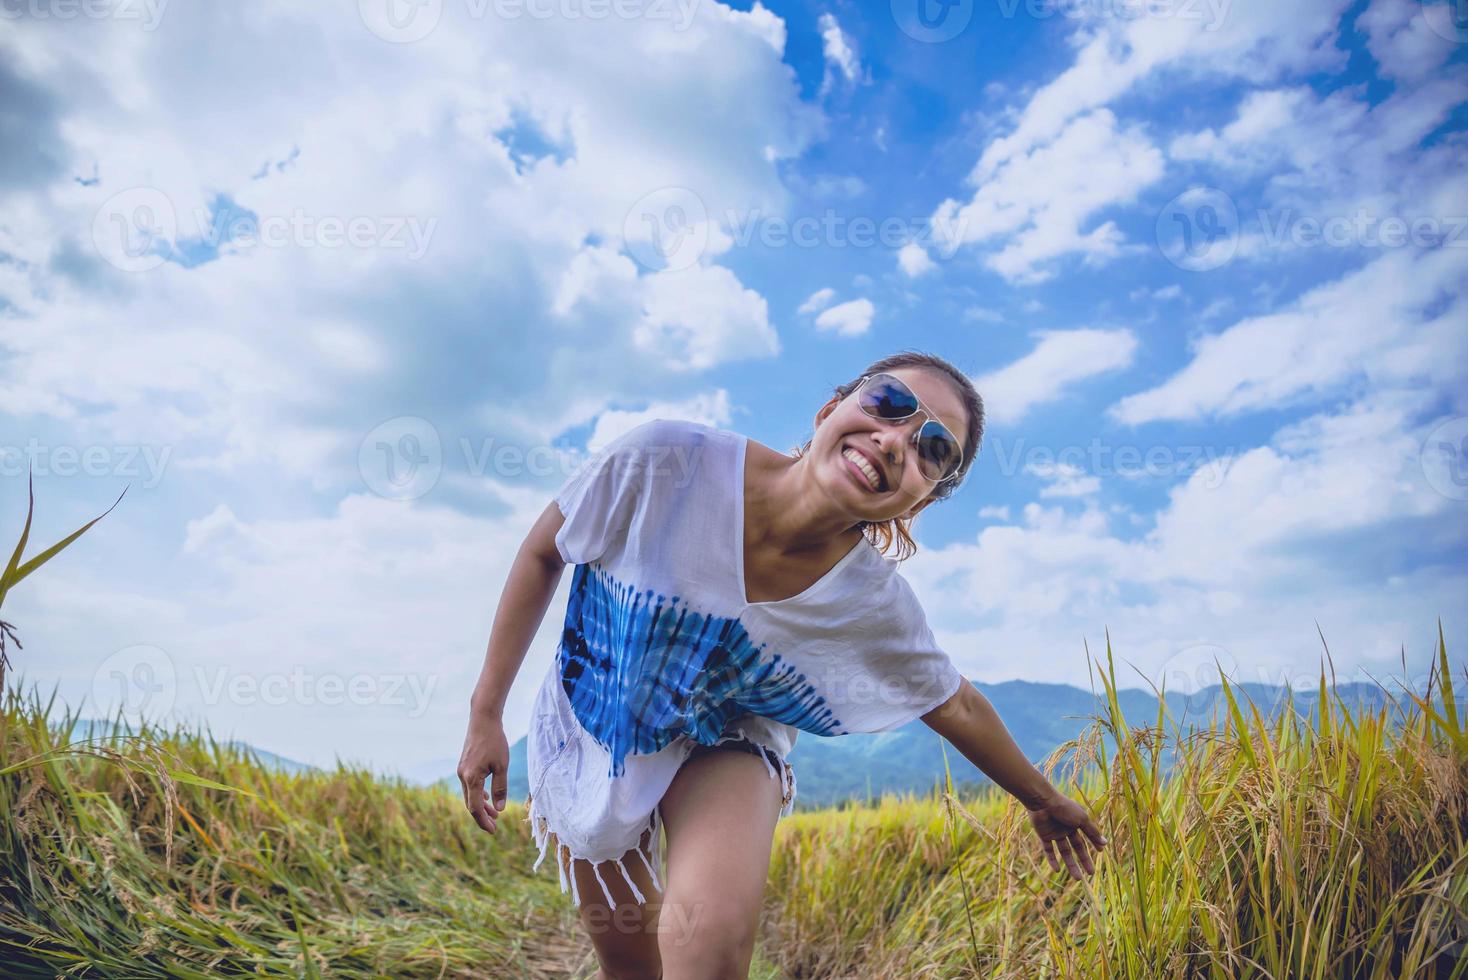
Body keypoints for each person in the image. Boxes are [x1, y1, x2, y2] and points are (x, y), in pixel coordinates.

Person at [458, 350, 1107, 980]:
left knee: (704, 943)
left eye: (933, 450)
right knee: (629, 967)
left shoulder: (872, 604)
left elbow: (954, 703)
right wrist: (486, 713)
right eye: (888, 403)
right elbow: (546, 551)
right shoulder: (668, 460)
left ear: (920, 502)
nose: (893, 442)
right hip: (598, 719)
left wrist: (1044, 801)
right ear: (831, 409)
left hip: (731, 740)